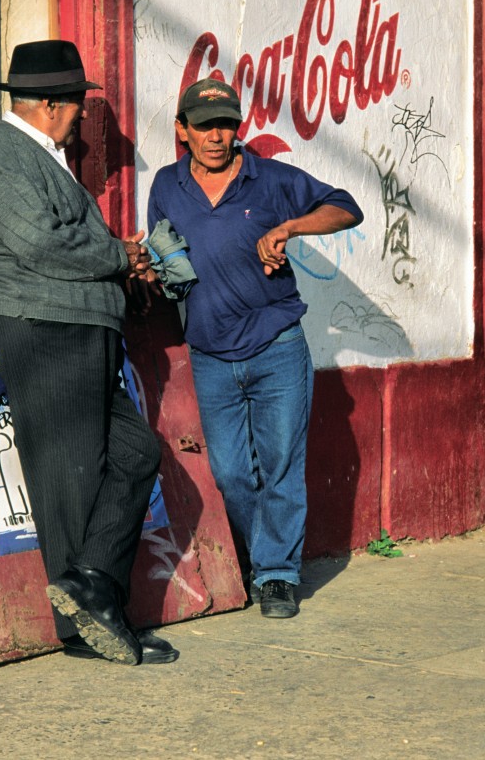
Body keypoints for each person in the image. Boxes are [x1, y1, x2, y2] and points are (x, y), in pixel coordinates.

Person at [0, 40, 176, 664]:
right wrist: (120, 256)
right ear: (53, 105)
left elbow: (56, 240)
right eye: (78, 105)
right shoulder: (0, 156)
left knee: (132, 454)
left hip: (73, 327)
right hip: (46, 330)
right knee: (70, 479)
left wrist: (119, 271)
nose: (82, 115)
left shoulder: (39, 157)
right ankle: (89, 623)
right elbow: (39, 244)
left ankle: (92, 592)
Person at [146, 78, 362, 618]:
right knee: (233, 473)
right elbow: (165, 253)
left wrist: (290, 227)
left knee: (282, 465)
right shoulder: (166, 186)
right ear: (183, 130)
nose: (216, 137)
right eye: (203, 126)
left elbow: (346, 208)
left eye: (225, 125)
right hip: (211, 354)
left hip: (277, 346)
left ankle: (276, 574)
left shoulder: (270, 179)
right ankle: (261, 554)